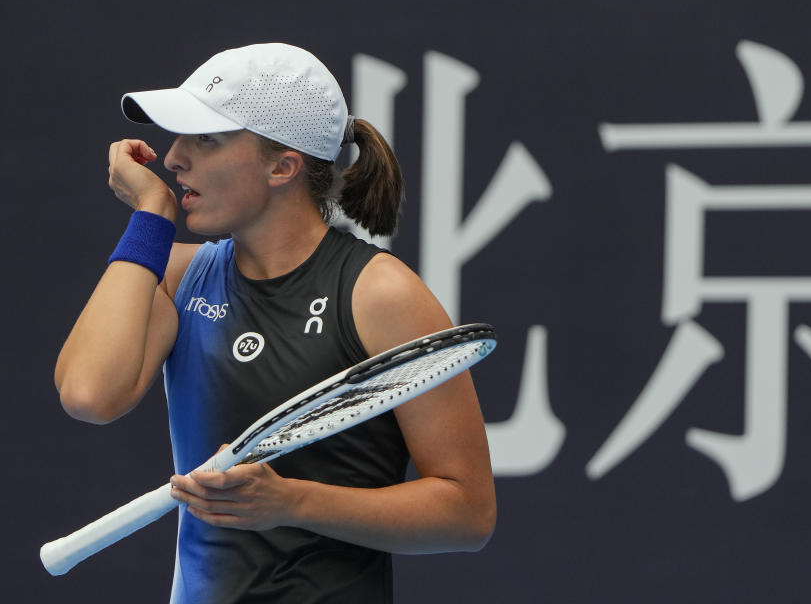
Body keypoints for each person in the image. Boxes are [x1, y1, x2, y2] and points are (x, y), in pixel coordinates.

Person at [54, 43, 496, 603]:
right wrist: (150, 220)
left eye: (206, 139)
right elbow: (89, 395)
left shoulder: (380, 294)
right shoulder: (172, 274)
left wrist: (292, 502)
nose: (172, 159)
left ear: (282, 166)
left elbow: (469, 514)